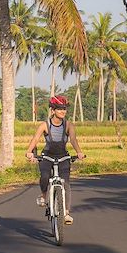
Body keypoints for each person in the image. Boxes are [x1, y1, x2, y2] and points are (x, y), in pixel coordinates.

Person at [24, 95, 85, 224]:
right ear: (53, 110)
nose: (63, 111)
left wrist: (79, 152)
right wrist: (29, 152)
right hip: (47, 156)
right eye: (59, 109)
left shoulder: (68, 125)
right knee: (45, 176)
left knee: (66, 183)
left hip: (63, 156)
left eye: (64, 109)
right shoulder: (45, 125)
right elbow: (35, 139)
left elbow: (73, 140)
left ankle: (66, 212)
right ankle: (44, 195)